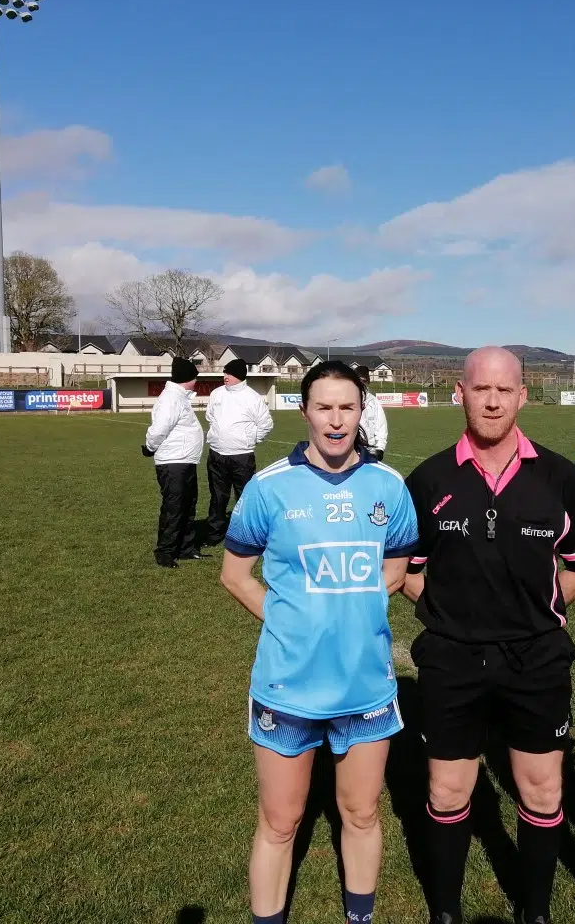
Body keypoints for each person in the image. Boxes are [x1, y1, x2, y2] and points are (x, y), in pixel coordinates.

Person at [219, 360, 419, 924]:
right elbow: (235, 575)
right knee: (280, 822)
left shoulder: (389, 486)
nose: (336, 420)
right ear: (304, 410)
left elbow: (396, 568)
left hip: (364, 684)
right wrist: (289, 620)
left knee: (361, 814)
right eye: (324, 407)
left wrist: (354, 606)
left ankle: (360, 917)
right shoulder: (269, 487)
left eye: (347, 407)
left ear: (362, 411)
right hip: (289, 686)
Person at [403, 346, 575, 924]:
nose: (492, 401)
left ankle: (534, 912)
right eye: (480, 389)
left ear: (522, 396)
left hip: (535, 658)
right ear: (459, 392)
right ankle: (445, 912)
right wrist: (451, 615)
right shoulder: (428, 479)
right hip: (451, 659)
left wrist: (534, 613)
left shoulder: (561, 478)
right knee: (447, 792)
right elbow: (409, 571)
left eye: (504, 390)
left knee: (541, 791)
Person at [142, 356, 205, 568]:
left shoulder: (179, 398)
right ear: (188, 378)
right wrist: (150, 447)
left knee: (188, 504)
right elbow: (159, 429)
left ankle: (185, 548)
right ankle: (165, 551)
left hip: (185, 460)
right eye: (194, 377)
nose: (196, 381)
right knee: (174, 507)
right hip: (173, 461)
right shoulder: (170, 399)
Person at [204, 359, 274, 546]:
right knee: (217, 496)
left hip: (242, 456)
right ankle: (214, 535)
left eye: (229, 373)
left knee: (244, 497)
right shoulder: (217, 394)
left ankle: (246, 534)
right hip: (217, 454)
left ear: (239, 375)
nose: (225, 376)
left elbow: (266, 424)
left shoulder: (252, 397)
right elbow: (210, 416)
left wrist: (250, 440)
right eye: (224, 373)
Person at [356, 365, 388, 460]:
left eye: (364, 381)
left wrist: (380, 448)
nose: (362, 384)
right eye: (359, 381)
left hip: (371, 451)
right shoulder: (346, 399)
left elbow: (381, 426)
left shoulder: (373, 401)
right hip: (353, 451)